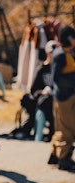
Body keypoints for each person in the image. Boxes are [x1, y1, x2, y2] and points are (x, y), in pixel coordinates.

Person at [48, 26, 75, 171]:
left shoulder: (65, 53)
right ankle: (64, 159)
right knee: (68, 129)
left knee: (61, 127)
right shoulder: (59, 55)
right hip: (65, 96)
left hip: (66, 95)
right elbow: (55, 78)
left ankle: (54, 155)